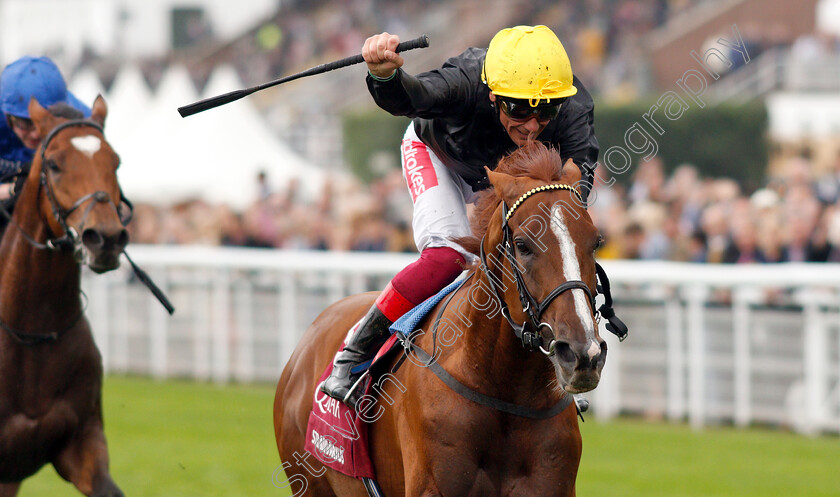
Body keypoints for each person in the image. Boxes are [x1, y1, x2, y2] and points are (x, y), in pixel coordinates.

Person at [321, 25, 599, 406]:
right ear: (492, 93)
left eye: (546, 111)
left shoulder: (574, 106)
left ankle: (559, 362)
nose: (532, 126)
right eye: (518, 109)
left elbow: (574, 195)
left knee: (548, 247)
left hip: (508, 182)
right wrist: (385, 75)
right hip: (441, 157)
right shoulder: (467, 78)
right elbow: (413, 96)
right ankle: (356, 350)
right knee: (448, 257)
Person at [0, 55, 90, 234]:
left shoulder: (81, 120)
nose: (35, 133)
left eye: (44, 123)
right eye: (24, 123)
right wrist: (15, 189)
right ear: (7, 115)